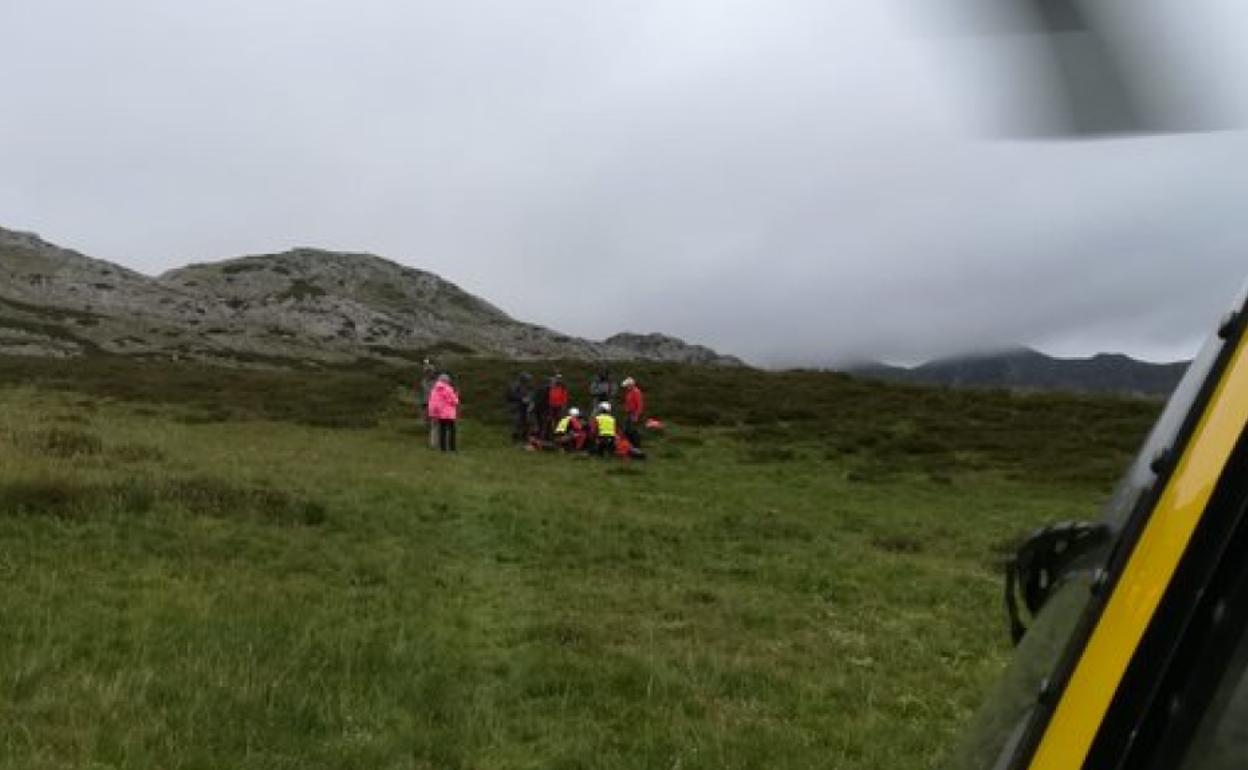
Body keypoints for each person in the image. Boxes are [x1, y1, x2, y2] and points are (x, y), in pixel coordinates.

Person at [427, 374, 459, 452]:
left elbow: (432, 402)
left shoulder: (434, 390)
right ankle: (452, 448)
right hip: (449, 413)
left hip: (440, 413)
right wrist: (456, 396)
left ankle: (443, 448)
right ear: (447, 380)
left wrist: (433, 412)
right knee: (452, 431)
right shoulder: (448, 389)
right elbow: (454, 401)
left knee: (442, 431)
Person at [506, 372, 533, 443]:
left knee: (526, 423)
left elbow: (527, 395)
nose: (528, 381)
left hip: (524, 407)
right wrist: (522, 398)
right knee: (517, 423)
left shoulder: (524, 386)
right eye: (527, 379)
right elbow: (511, 395)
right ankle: (515, 440)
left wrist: (529, 398)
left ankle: (524, 438)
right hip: (516, 407)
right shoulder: (515, 386)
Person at [418, 359, 438, 449]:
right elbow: (422, 392)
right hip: (425, 403)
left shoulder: (435, 382)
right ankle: (433, 439)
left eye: (430, 372)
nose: (429, 373)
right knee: (427, 421)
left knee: (433, 423)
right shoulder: (424, 381)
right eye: (427, 372)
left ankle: (433, 442)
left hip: (432, 403)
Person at [620, 376, 645, 448]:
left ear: (631, 385)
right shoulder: (630, 392)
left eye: (627, 386)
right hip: (629, 413)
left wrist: (636, 415)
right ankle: (629, 445)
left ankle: (636, 445)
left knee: (633, 430)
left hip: (633, 413)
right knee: (627, 429)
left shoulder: (636, 392)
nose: (626, 387)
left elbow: (640, 405)